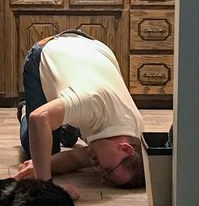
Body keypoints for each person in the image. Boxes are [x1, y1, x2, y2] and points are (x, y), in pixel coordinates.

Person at [15, 30, 145, 193]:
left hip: (93, 53)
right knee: (38, 145)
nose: (98, 170)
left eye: (104, 177)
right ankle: (26, 108)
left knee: (48, 155)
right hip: (47, 51)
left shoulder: (132, 139)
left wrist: (42, 165)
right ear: (125, 148)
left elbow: (77, 158)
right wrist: (46, 186)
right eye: (108, 170)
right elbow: (39, 118)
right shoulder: (93, 101)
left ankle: (64, 121)